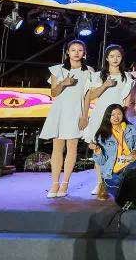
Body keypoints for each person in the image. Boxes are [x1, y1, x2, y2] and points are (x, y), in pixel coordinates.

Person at [40, 40, 95, 198]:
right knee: (57, 148)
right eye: (73, 50)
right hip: (59, 112)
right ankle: (54, 183)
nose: (76, 53)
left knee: (72, 148)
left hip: (76, 112)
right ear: (67, 52)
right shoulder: (58, 69)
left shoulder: (89, 71)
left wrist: (84, 116)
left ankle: (65, 183)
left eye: (80, 50)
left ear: (84, 53)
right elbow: (54, 93)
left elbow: (87, 96)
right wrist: (64, 83)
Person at [82, 45, 134, 196]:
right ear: (106, 58)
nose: (115, 59)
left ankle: (115, 182)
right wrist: (105, 85)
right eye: (112, 56)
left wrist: (122, 115)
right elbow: (90, 96)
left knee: (117, 149)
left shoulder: (126, 76)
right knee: (100, 148)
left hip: (118, 117)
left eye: (118, 56)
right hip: (101, 115)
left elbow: (127, 100)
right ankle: (100, 183)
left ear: (122, 58)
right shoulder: (99, 75)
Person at [89, 103, 136, 200]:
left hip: (129, 165)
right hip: (112, 171)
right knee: (119, 186)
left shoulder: (131, 129)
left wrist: (135, 151)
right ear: (108, 117)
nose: (116, 117)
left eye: (119, 114)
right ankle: (113, 186)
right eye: (112, 115)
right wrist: (97, 150)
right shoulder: (102, 135)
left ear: (123, 115)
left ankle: (125, 187)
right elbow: (101, 161)